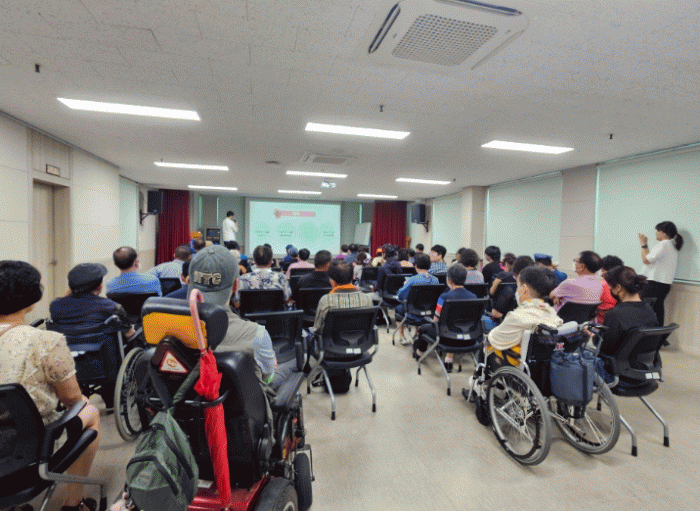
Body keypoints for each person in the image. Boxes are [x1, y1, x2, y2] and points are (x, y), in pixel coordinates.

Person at [0, 261, 101, 511]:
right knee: (89, 409)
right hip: (22, 449)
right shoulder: (44, 341)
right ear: (32, 299)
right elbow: (71, 398)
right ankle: (73, 504)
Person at [470, 266, 563, 395]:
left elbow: (494, 338)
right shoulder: (553, 315)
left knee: (485, 344)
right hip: (543, 370)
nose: (516, 290)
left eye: (518, 286)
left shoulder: (518, 317)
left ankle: (479, 384)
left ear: (524, 290)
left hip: (517, 366)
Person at [414, 264, 476, 372]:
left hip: (446, 338)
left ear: (449, 280)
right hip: (468, 338)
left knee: (424, 328)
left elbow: (436, 319)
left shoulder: (444, 297)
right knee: (453, 325)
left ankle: (419, 354)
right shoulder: (473, 297)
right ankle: (448, 359)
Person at [50, 262, 135, 337]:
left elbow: (63, 301)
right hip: (102, 350)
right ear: (100, 286)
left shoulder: (55, 306)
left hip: (67, 350)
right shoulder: (112, 307)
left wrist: (73, 289)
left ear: (70, 287)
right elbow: (129, 334)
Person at [597, 266, 658, 357]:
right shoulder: (649, 310)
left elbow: (605, 348)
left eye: (611, 287)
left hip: (614, 363)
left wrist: (594, 336)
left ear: (618, 287)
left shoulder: (615, 314)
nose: (610, 290)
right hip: (643, 362)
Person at [640, 221, 684, 325]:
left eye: (657, 231)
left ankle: (645, 333)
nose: (656, 233)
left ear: (664, 232)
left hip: (654, 284)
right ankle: (658, 334)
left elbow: (646, 260)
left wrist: (643, 244)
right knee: (658, 309)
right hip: (664, 285)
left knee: (645, 310)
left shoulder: (663, 245)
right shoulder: (672, 245)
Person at [313, 260, 374, 333]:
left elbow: (317, 328)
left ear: (332, 281)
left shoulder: (326, 300)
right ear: (352, 278)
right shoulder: (367, 298)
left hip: (331, 340)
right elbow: (370, 327)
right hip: (361, 339)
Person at [395, 253, 438, 344]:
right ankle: (417, 333)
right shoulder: (435, 280)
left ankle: (402, 336)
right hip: (430, 313)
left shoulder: (412, 279)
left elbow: (401, 295)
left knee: (398, 308)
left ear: (416, 265)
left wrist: (404, 285)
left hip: (413, 314)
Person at [483, 256, 534, 332]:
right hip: (530, 329)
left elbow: (496, 314)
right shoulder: (537, 289)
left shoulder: (510, 289)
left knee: (480, 318)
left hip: (509, 328)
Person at [596, 255, 624, 324]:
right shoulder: (626, 286)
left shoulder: (601, 285)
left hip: (602, 324)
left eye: (603, 270)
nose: (601, 274)